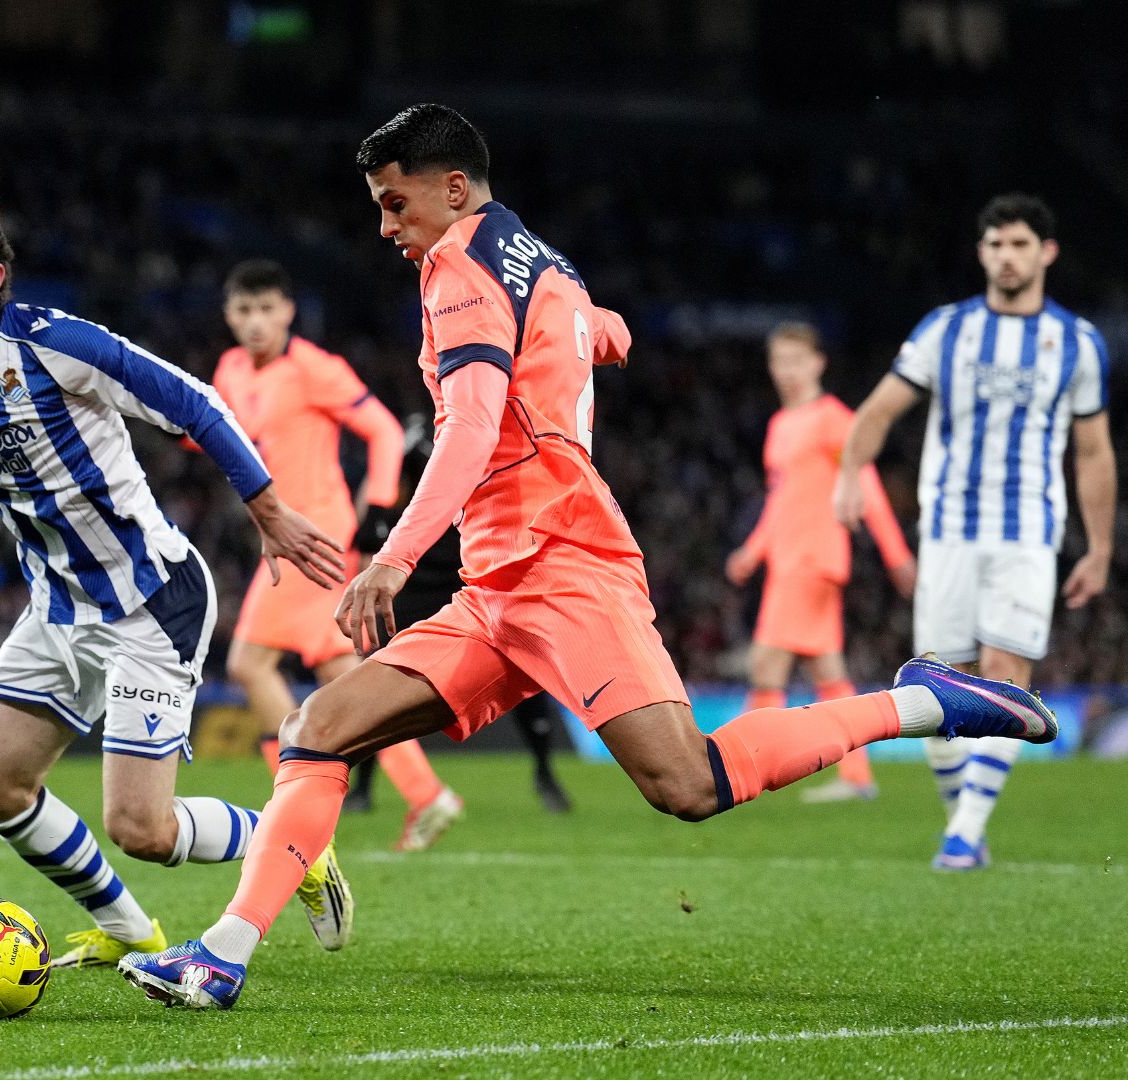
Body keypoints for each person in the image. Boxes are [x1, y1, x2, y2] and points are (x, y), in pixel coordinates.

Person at [119, 103, 1058, 1010]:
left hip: (564, 563)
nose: (383, 225)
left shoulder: (456, 269)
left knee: (688, 784)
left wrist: (394, 556)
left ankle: (924, 700)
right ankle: (222, 957)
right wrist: (585, 345)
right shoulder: (542, 261)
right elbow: (611, 330)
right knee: (319, 726)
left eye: (394, 202)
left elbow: (476, 423)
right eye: (375, 205)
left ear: (453, 189)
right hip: (497, 586)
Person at [0, 179, 354, 969]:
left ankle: (294, 844)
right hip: (57, 612)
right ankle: (132, 932)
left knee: (144, 832)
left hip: (150, 603)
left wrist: (268, 510)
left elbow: (194, 401)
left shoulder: (56, 344)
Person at [834, 193, 1113, 869]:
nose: (1006, 256)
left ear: (1045, 252)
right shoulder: (945, 330)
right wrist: (848, 475)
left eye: (1019, 244)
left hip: (1027, 534)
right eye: (994, 245)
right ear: (981, 252)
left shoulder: (1076, 342)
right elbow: (877, 410)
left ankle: (963, 832)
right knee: (934, 682)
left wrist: (1100, 547)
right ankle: (965, 818)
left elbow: (1093, 451)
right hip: (950, 531)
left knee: (1006, 674)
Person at [211, 259, 462, 850]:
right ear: (228, 315)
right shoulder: (230, 371)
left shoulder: (313, 369)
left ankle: (289, 806)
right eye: (245, 310)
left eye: (268, 308)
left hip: (317, 537)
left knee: (250, 664)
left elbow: (379, 428)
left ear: (289, 311)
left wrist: (378, 512)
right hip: (282, 539)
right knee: (341, 678)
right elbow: (218, 432)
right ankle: (427, 795)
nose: (256, 322)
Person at [724, 323, 918, 803]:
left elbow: (864, 483)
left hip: (813, 557)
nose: (786, 372)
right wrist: (754, 550)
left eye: (796, 361)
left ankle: (738, 771)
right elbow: (781, 500)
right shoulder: (779, 425)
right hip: (789, 559)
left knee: (767, 666)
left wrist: (896, 553)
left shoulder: (832, 418)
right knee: (827, 671)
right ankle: (857, 777)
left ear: (818, 363)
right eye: (779, 362)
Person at [361, 412, 575, 814]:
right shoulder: (416, 434)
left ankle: (545, 771)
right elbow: (387, 488)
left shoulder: (499, 421)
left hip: (479, 566)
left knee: (523, 666)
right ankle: (364, 786)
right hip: (421, 571)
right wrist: (375, 534)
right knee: (384, 668)